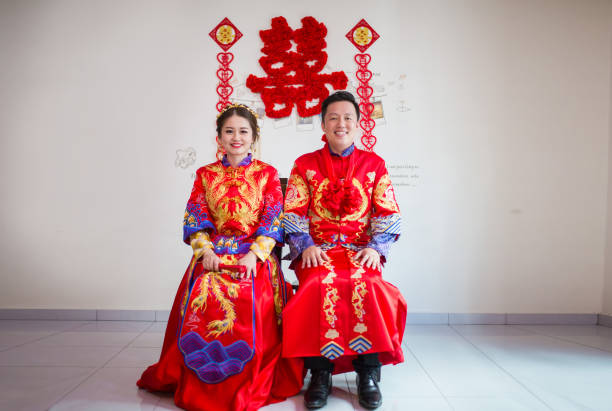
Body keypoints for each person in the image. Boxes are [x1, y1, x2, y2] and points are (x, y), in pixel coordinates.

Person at [137, 103, 303, 411]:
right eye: (229, 131)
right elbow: (195, 219)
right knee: (204, 295)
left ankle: (246, 374)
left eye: (243, 132)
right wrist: (206, 252)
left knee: (253, 300)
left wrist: (255, 255)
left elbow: (273, 221)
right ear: (219, 137)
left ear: (253, 137)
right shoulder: (205, 175)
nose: (236, 138)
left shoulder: (267, 175)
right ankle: (201, 375)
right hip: (214, 254)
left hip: (254, 255)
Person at [282, 91, 407, 410]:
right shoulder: (304, 164)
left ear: (358, 123)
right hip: (318, 252)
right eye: (333, 117)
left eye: (347, 117)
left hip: (359, 251)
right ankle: (320, 373)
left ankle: (368, 372)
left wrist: (376, 247)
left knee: (368, 285)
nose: (341, 123)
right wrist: (305, 245)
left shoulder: (374, 164)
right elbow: (293, 212)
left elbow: (389, 213)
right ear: (322, 124)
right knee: (315, 286)